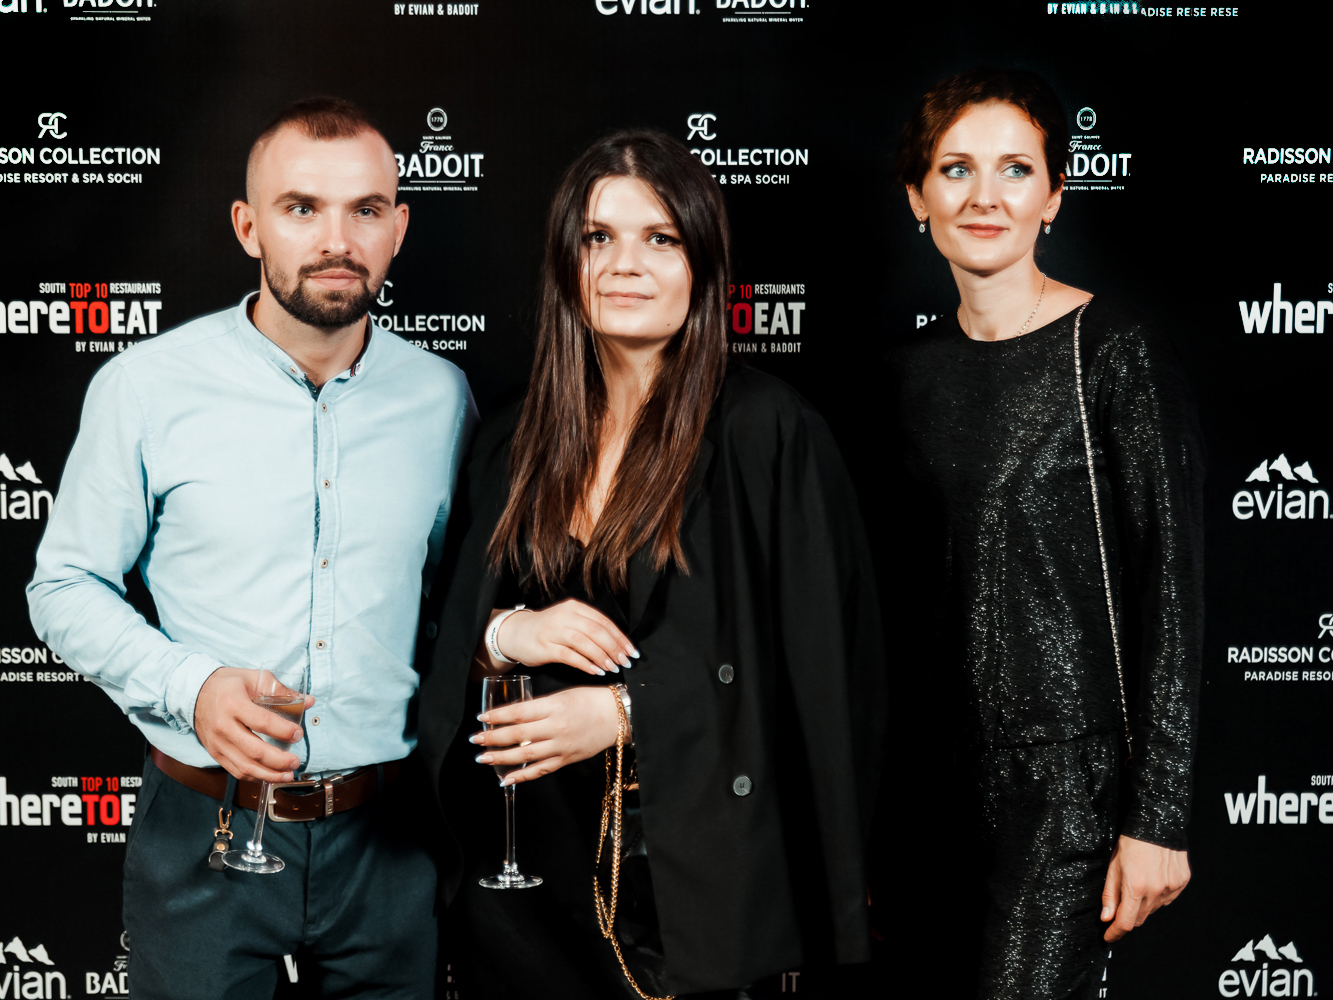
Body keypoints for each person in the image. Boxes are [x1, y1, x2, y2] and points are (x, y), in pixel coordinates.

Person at [415, 130, 886, 1000]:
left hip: (681, 889)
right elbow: (436, 634)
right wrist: (508, 632)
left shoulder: (767, 431)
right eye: (598, 237)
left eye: (659, 238)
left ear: (702, 263)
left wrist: (627, 711)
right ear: (567, 261)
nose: (624, 264)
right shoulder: (511, 433)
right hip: (521, 879)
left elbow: (823, 676)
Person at [27, 97, 476, 1000]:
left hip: (388, 842)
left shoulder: (443, 398)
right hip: (205, 829)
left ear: (398, 229)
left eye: (365, 209)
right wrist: (192, 688)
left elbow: (455, 601)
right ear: (247, 227)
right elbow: (64, 585)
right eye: (301, 207)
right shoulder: (146, 387)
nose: (336, 240)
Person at [882, 68, 1203, 999]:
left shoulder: (1114, 352)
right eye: (956, 170)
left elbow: (1172, 592)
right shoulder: (900, 378)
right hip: (921, 797)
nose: (985, 196)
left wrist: (1159, 817)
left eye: (1016, 170)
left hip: (1065, 792)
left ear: (1054, 196)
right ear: (917, 197)